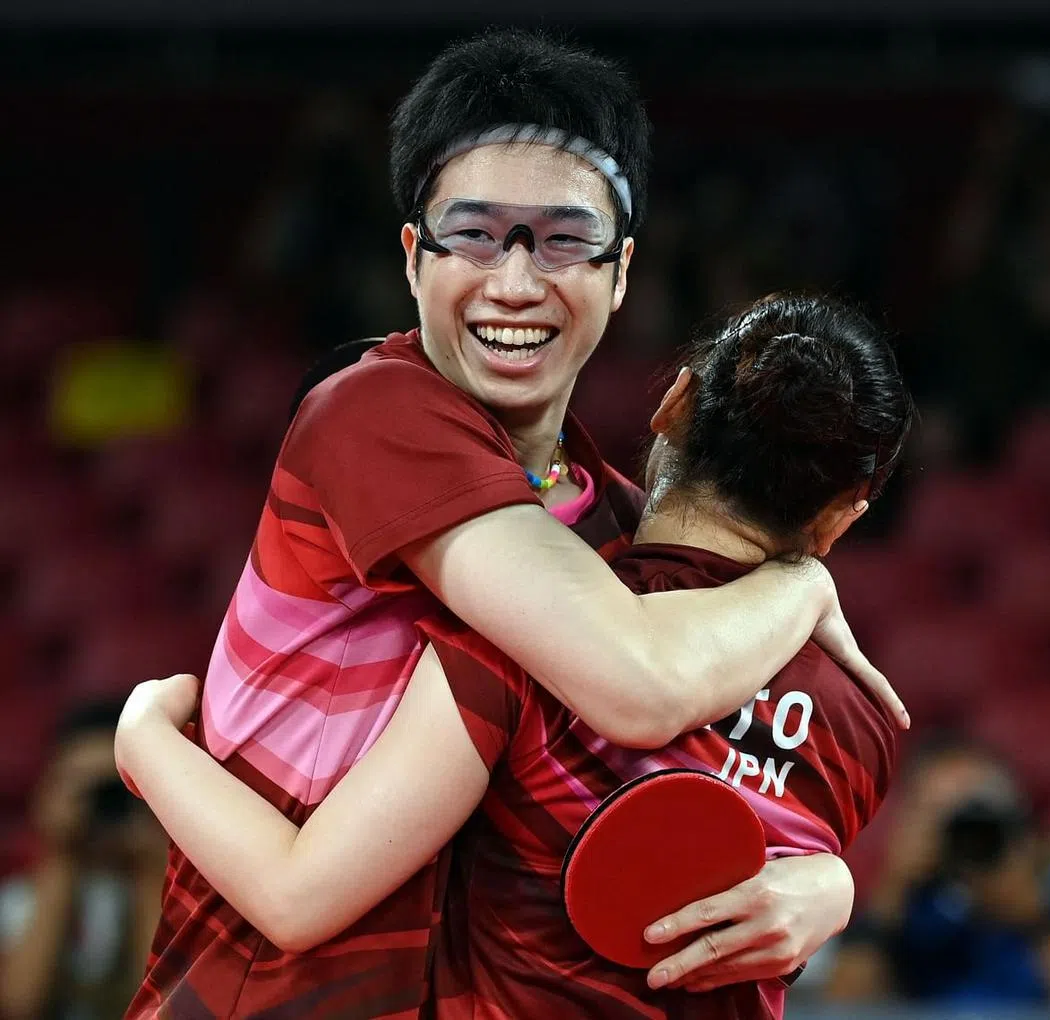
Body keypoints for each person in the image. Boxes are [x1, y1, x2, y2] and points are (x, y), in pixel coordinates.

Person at [123, 29, 905, 1018]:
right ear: (414, 258)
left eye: (564, 240)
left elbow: (691, 774)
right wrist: (803, 580)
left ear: (621, 272)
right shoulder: (373, 413)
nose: (516, 283)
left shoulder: (610, 527)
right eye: (475, 234)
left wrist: (824, 884)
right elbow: (639, 687)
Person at [825, 736, 1050, 1009]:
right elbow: (844, 1007)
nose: (965, 834)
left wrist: (1038, 921)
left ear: (1018, 812)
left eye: (975, 812)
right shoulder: (913, 904)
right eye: (942, 817)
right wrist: (890, 895)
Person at [0, 701, 168, 1020]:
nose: (102, 805)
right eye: (85, 790)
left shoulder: (169, 896)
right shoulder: (16, 898)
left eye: (116, 789)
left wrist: (150, 865)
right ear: (46, 792)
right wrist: (62, 855)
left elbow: (164, 1006)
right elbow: (20, 1005)